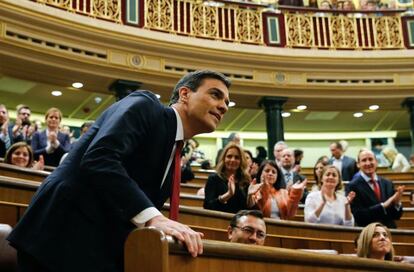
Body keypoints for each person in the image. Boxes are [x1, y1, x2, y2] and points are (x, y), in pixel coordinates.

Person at [8, 70, 231, 271]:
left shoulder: (174, 152)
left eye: (226, 102)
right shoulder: (145, 104)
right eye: (215, 95)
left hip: (97, 251)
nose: (223, 106)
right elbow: (99, 158)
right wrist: (155, 219)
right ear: (184, 94)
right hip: (58, 239)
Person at [347, 149, 404, 228]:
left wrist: (397, 203)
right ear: (358, 164)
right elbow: (358, 216)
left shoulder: (387, 183)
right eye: (364, 160)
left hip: (389, 231)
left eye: (370, 159)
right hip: (368, 232)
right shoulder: (353, 186)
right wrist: (383, 206)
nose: (368, 163)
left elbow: (396, 216)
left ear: (376, 162)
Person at [204, 143, 251, 213]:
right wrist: (228, 194)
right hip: (217, 220)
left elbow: (246, 209)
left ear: (241, 161)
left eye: (237, 157)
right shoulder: (214, 179)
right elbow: (208, 206)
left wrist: (251, 199)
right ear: (223, 159)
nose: (232, 160)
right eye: (229, 156)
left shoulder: (245, 180)